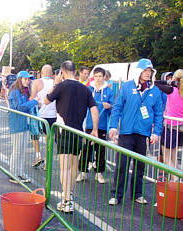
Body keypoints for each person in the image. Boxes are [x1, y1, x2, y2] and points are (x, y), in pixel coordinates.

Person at [44, 61, 99, 213]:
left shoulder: (60, 86)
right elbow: (94, 109)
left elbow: (46, 100)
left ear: (62, 71)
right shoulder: (85, 89)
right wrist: (94, 129)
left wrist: (55, 83)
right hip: (79, 132)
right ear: (75, 72)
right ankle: (69, 195)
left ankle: (66, 199)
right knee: (74, 164)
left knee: (64, 167)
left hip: (63, 130)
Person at [108, 58, 163, 205]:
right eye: (145, 70)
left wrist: (156, 132)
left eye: (150, 71)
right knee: (122, 165)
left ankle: (137, 194)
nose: (147, 73)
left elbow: (159, 113)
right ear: (139, 71)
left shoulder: (155, 91)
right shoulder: (127, 87)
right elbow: (117, 107)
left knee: (140, 165)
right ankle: (116, 195)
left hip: (143, 132)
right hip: (126, 132)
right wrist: (113, 126)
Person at [78, 67, 114, 184]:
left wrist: (109, 106)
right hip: (89, 123)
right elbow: (82, 104)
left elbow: (113, 108)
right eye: (96, 76)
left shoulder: (109, 91)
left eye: (100, 76)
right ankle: (82, 172)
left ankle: (99, 173)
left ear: (104, 77)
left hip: (102, 125)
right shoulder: (88, 89)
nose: (98, 79)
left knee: (100, 150)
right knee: (86, 148)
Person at [9, 71, 40, 184]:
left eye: (28, 79)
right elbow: (19, 107)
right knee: (17, 150)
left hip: (24, 124)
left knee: (21, 151)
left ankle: (19, 172)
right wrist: (33, 102)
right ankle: (13, 174)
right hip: (17, 124)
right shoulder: (15, 91)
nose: (28, 81)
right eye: (25, 79)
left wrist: (33, 102)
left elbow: (24, 106)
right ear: (20, 79)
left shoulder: (24, 91)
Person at [29, 64, 57, 169]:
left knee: (35, 135)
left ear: (41, 72)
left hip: (38, 114)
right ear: (51, 73)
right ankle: (48, 162)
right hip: (52, 115)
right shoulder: (56, 83)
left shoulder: (36, 82)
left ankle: (38, 156)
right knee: (48, 139)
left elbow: (32, 98)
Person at [161, 69, 183, 181]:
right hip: (180, 127)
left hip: (170, 126)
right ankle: (177, 176)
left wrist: (170, 82)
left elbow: (157, 83)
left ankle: (175, 179)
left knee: (166, 155)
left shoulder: (171, 90)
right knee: (174, 156)